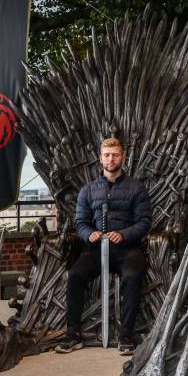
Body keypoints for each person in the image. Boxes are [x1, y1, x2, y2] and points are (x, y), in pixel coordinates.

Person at [55, 138, 152, 355]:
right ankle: (73, 334)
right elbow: (80, 222)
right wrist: (90, 234)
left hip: (127, 249)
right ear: (100, 158)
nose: (111, 159)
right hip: (96, 249)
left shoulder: (136, 188)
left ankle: (126, 335)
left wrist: (124, 235)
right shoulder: (88, 190)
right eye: (107, 155)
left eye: (115, 154)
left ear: (123, 157)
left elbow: (144, 222)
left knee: (133, 276)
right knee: (75, 275)